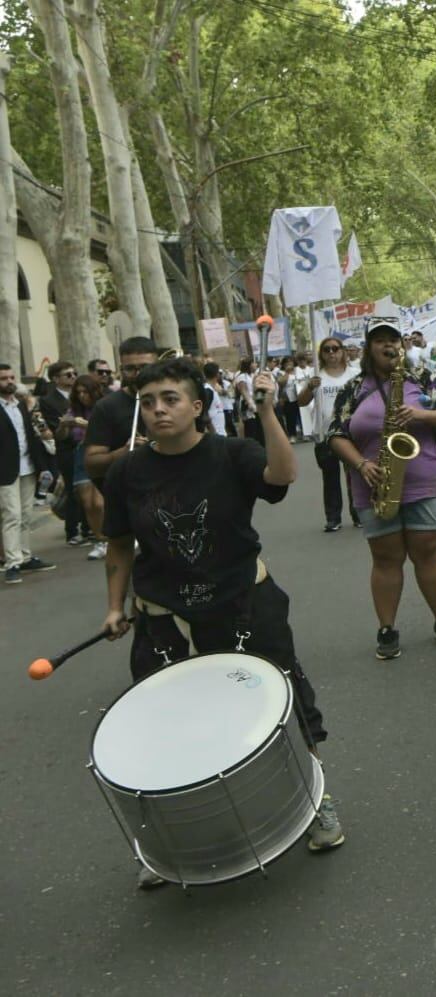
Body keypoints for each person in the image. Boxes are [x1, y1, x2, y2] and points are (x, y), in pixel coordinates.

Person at [99, 356, 344, 889]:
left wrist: (267, 409)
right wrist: (116, 606)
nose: (159, 409)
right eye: (149, 402)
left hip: (242, 603)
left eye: (170, 399)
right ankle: (166, 845)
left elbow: (281, 476)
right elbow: (119, 544)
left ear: (197, 406)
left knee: (282, 705)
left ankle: (316, 800)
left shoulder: (231, 452)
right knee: (164, 726)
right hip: (163, 616)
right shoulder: (127, 471)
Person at [327, 320, 436, 659]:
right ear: (369, 348)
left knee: (428, 551)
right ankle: (387, 628)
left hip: (424, 478)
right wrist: (361, 464)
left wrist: (419, 414)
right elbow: (334, 435)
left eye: (393, 340)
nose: (388, 346)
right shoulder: (354, 388)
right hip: (373, 482)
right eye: (380, 341)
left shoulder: (422, 379)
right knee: (386, 557)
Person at [297, 337, 360, 532]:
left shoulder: (355, 374)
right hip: (325, 435)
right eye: (327, 350)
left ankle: (358, 514)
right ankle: (333, 518)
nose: (331, 353)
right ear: (321, 354)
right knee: (330, 478)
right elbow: (301, 402)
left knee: (355, 475)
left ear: (343, 351)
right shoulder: (316, 377)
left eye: (335, 349)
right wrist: (310, 387)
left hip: (351, 433)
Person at [1, 363, 56, 584]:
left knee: (25, 515)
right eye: (4, 378)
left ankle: (24, 556)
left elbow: (32, 436)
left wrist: (42, 465)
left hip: (28, 466)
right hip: (5, 470)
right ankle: (12, 562)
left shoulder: (21, 406)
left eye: (12, 377)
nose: (10, 381)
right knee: (11, 515)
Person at [82, 337, 158, 491]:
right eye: (130, 369)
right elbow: (91, 464)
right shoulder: (106, 406)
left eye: (145, 367)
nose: (138, 374)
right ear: (121, 369)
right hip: (131, 493)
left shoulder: (177, 400)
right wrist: (124, 452)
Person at [37, 360, 88, 546]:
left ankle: (88, 528)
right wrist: (70, 423)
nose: (73, 377)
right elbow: (53, 425)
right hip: (67, 449)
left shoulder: (80, 395)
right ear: (56, 379)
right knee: (72, 489)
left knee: (87, 488)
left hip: (85, 445)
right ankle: (72, 531)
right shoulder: (48, 400)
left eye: (74, 373)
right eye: (68, 375)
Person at [60, 375, 108, 560]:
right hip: (81, 453)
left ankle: (112, 536)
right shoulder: (74, 410)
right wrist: (65, 425)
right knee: (88, 503)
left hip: (100, 450)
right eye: (78, 392)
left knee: (100, 502)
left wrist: (86, 424)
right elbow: (62, 436)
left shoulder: (103, 407)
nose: (82, 396)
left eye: (85, 392)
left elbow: (106, 429)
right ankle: (100, 540)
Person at [202, 363, 229, 438]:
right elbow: (204, 414)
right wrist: (213, 432)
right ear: (217, 375)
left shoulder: (212, 390)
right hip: (215, 435)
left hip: (220, 433)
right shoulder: (208, 391)